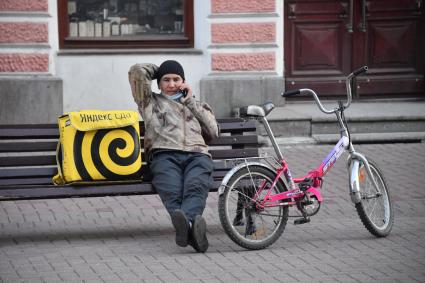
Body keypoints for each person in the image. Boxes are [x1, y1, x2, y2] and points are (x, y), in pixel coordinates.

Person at [128, 60, 219, 252]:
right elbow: (136, 72)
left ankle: (187, 228)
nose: (171, 84)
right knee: (173, 192)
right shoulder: (149, 102)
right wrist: (158, 70)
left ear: (184, 81)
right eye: (166, 80)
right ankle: (195, 232)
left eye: (176, 79)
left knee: (195, 187)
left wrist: (191, 102)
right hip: (164, 155)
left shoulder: (197, 104)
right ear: (158, 83)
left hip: (197, 155)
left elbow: (213, 132)